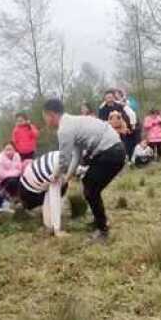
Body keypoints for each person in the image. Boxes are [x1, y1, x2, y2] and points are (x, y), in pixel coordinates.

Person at [43, 98, 126, 243]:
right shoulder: (73, 122)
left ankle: (102, 231)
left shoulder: (64, 129)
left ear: (51, 115)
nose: (45, 121)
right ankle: (99, 222)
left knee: (90, 189)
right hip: (114, 150)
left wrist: (54, 176)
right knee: (90, 185)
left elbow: (64, 159)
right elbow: (76, 155)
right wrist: (67, 177)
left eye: (45, 117)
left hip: (110, 152)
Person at [3, 151, 70, 235]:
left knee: (62, 186)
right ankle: (24, 210)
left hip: (32, 185)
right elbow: (54, 199)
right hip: (29, 193)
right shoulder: (56, 170)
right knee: (58, 190)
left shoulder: (61, 154)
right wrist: (58, 230)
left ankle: (48, 225)